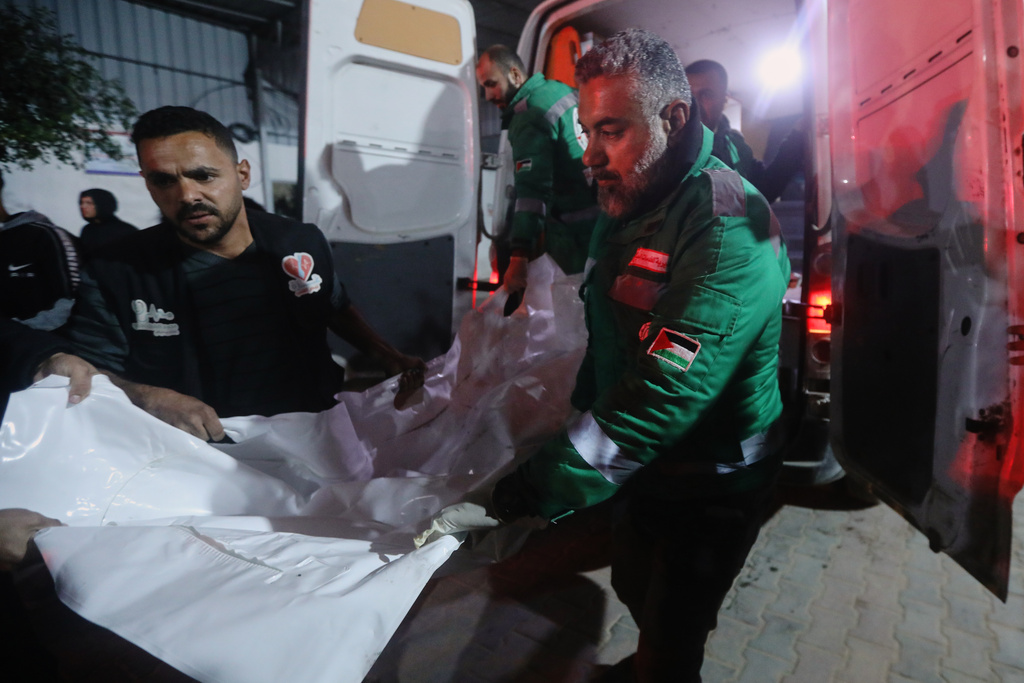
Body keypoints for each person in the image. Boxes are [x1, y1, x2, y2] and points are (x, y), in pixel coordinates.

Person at [423, 29, 790, 682]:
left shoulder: (726, 225)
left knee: (674, 629)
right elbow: (607, 335)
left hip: (713, 479)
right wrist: (569, 421)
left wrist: (525, 493)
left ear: (673, 118)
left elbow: (663, 393)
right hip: (649, 468)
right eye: (587, 131)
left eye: (610, 132)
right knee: (635, 584)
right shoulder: (634, 200)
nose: (589, 156)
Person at [64, 106, 425, 441]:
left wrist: (387, 355)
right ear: (148, 184)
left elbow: (332, 304)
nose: (187, 195)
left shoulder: (298, 242)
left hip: (314, 431)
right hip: (200, 451)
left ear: (243, 175)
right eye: (164, 181)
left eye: (204, 175)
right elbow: (87, 370)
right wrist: (146, 397)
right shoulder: (117, 271)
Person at [476, 44, 598, 295]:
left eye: (491, 84)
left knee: (578, 306)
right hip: (603, 223)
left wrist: (518, 256)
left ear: (515, 75)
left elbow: (532, 191)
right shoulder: (558, 90)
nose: (488, 96)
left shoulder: (528, 115)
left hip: (577, 239)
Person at [684, 59, 805, 203]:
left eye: (706, 94)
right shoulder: (670, 146)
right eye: (688, 96)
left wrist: (797, 137)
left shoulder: (735, 146)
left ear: (725, 99)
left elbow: (764, 190)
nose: (694, 105)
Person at [78, 188, 137, 257]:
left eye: (89, 203)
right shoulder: (88, 230)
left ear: (102, 204)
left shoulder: (125, 231)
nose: (83, 206)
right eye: (81, 203)